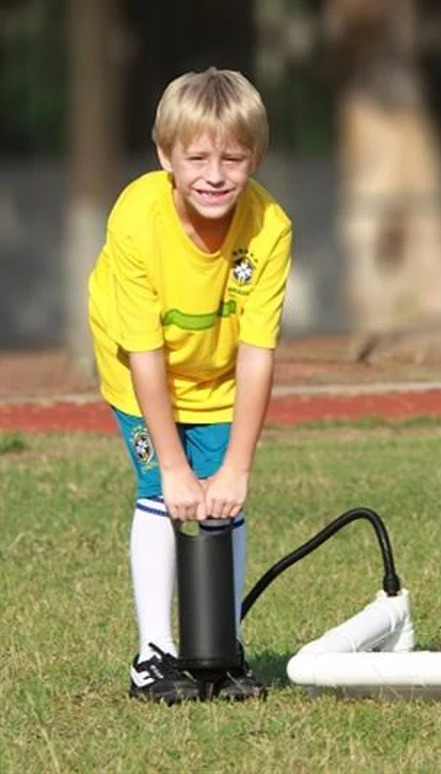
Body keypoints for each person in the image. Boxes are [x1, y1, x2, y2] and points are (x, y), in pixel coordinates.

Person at [88, 68, 292, 704]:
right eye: (197, 158)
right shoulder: (137, 219)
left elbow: (258, 352)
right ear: (165, 157)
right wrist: (175, 467)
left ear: (255, 158)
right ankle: (153, 656)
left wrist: (236, 469)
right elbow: (144, 349)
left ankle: (223, 651)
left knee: (220, 503)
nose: (214, 175)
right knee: (162, 490)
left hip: (219, 373)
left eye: (233, 159)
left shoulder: (269, 228)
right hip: (139, 370)